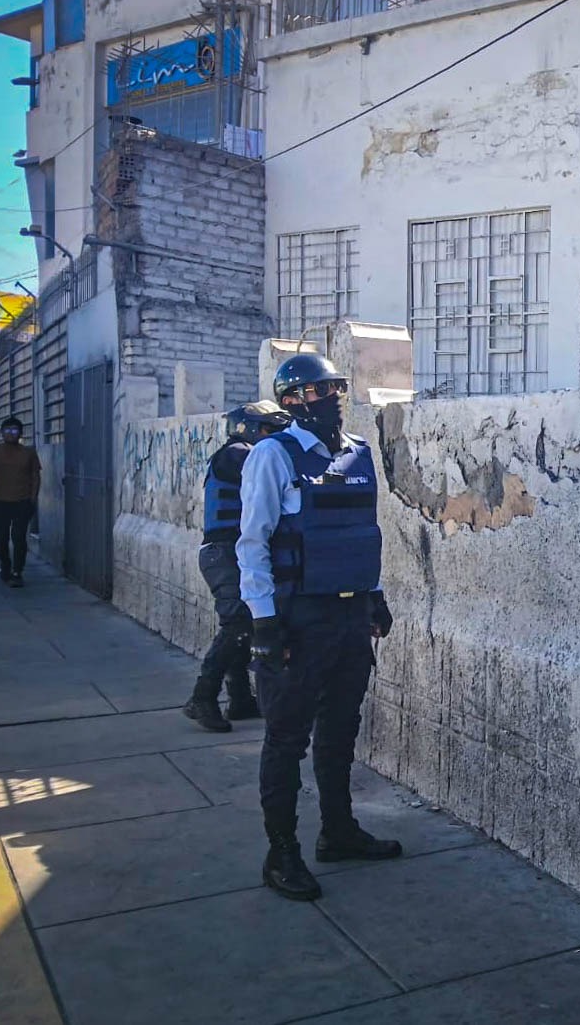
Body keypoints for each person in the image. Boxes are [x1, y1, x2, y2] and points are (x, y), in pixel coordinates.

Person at [238, 354, 399, 901]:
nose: (330, 397)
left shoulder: (358, 453)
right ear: (291, 401)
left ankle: (339, 830)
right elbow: (253, 543)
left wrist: (374, 596)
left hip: (349, 617)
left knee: (341, 728)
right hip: (296, 618)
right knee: (286, 737)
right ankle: (281, 852)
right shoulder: (272, 454)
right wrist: (263, 623)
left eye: (335, 387)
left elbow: (360, 531)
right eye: (316, 390)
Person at [182, 401, 292, 733]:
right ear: (250, 430)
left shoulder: (243, 452)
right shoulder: (236, 453)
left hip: (228, 552)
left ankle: (241, 699)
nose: (275, 439)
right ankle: (202, 697)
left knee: (246, 626)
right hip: (223, 553)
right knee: (239, 624)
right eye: (270, 431)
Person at [0, 417, 40, 588]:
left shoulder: (29, 453)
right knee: (0, 538)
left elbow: (36, 477)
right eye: (7, 430)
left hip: (22, 501)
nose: (10, 434)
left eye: (14, 431)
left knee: (19, 538)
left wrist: (32, 499)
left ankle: (17, 571)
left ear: (20, 433)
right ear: (1, 432)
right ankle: (5, 564)